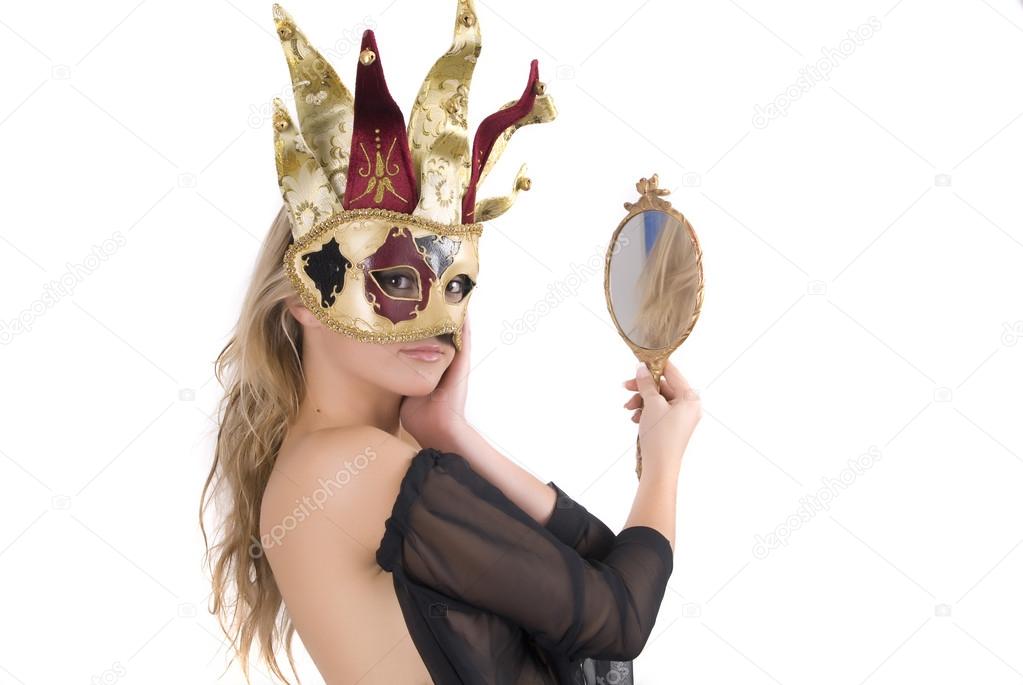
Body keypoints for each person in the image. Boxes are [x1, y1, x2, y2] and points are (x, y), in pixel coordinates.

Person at [201, 3, 701, 683]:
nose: (438, 314)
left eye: (457, 284)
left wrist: (453, 434)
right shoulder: (348, 468)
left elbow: (600, 571)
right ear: (303, 302)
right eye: (398, 278)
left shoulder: (375, 458)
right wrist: (665, 460)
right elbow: (617, 618)